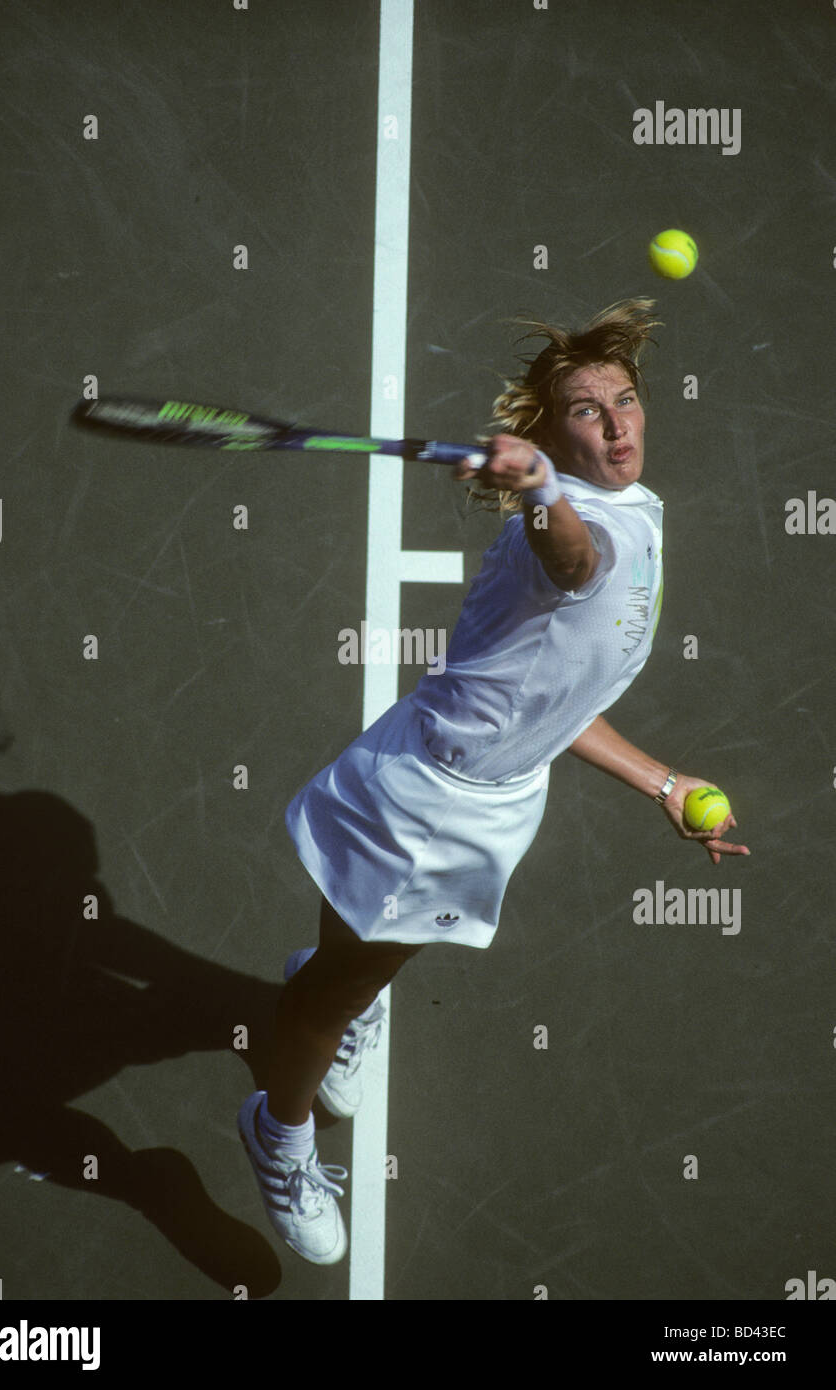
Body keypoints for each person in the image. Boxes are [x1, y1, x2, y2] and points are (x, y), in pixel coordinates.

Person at [237, 298, 750, 1265]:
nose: (616, 425)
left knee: (365, 962)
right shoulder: (575, 526)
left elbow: (563, 696)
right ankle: (278, 1130)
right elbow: (572, 560)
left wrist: (663, 782)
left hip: (500, 794)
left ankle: (348, 989)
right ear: (548, 439)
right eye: (586, 415)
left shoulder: (638, 510)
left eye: (626, 402)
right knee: (323, 1000)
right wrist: (542, 495)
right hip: (420, 804)